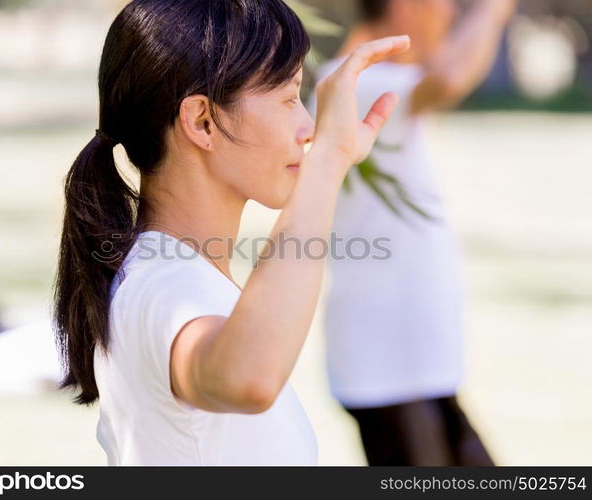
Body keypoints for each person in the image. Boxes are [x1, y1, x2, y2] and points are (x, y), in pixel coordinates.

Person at [52, 0, 410, 465]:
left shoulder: (170, 274)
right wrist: (328, 161)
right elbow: (248, 379)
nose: (308, 127)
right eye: (288, 96)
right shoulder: (164, 286)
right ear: (202, 121)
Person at [306, 0, 517, 466]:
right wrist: (493, 12)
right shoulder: (353, 85)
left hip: (415, 365)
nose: (451, 15)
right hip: (385, 366)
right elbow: (448, 79)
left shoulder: (371, 85)